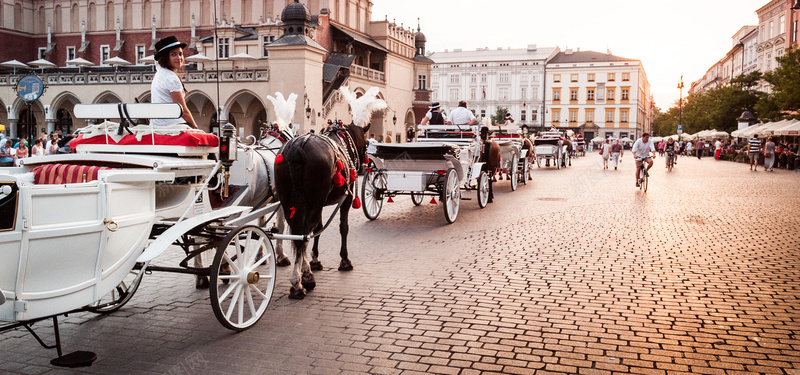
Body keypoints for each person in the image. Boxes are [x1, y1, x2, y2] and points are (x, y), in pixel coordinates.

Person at [151, 36, 198, 128]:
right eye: (173, 54)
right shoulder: (171, 78)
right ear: (165, 57)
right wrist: (197, 129)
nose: (179, 58)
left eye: (180, 54)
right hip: (172, 125)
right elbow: (183, 111)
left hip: (157, 124)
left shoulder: (159, 74)